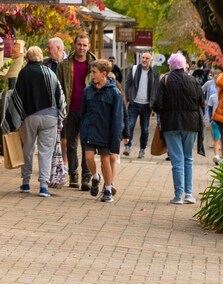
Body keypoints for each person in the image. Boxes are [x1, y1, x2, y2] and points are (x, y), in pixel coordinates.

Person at [8, 46, 67, 197]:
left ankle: (26, 183)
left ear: (27, 58)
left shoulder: (24, 73)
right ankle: (43, 186)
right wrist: (61, 116)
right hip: (50, 116)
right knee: (45, 151)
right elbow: (60, 95)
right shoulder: (50, 73)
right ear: (41, 57)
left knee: (27, 149)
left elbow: (17, 97)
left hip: (30, 117)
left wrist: (14, 120)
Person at [154, 52, 205, 205]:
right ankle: (189, 194)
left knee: (177, 160)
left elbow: (157, 104)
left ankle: (178, 196)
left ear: (171, 65)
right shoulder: (193, 81)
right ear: (183, 65)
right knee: (188, 158)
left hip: (171, 124)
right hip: (191, 124)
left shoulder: (165, 80)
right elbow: (202, 102)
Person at [79, 59, 125, 203]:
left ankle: (108, 189)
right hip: (90, 130)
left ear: (103, 74)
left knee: (105, 159)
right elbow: (83, 113)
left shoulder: (115, 93)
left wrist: (116, 138)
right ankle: (95, 177)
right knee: (88, 157)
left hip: (105, 132)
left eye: (94, 72)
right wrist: (83, 130)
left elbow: (117, 117)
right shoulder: (87, 91)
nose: (92, 75)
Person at [57, 33, 97, 189]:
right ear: (74, 45)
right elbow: (58, 87)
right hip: (70, 108)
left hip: (89, 110)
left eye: (85, 45)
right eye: (79, 44)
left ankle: (86, 176)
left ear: (89, 47)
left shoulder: (95, 65)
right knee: (71, 144)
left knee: (87, 144)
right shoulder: (64, 65)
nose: (82, 48)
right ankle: (73, 173)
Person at [123, 51, 154, 158]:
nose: (144, 60)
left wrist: (154, 105)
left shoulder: (154, 73)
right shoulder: (135, 69)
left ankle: (142, 149)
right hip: (134, 103)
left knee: (145, 129)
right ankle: (127, 146)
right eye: (143, 58)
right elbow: (127, 83)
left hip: (147, 105)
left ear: (151, 60)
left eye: (147, 58)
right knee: (130, 125)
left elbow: (156, 90)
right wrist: (127, 98)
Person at [203, 67, 223, 165]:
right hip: (214, 117)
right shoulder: (209, 85)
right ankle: (217, 154)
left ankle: (222, 155)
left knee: (222, 139)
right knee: (215, 137)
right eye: (215, 78)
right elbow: (201, 91)